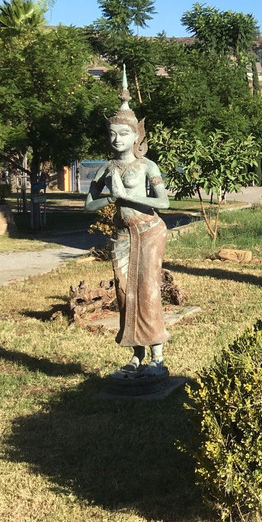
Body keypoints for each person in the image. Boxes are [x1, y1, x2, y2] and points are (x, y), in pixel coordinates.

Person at [86, 72, 171, 374]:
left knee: (148, 290)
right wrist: (112, 198)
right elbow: (88, 203)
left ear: (136, 135)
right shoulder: (106, 168)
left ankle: (157, 357)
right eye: (112, 134)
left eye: (124, 134)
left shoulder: (147, 166)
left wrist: (128, 198)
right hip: (123, 235)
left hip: (149, 231)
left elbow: (164, 202)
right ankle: (136, 353)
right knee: (125, 292)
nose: (117, 139)